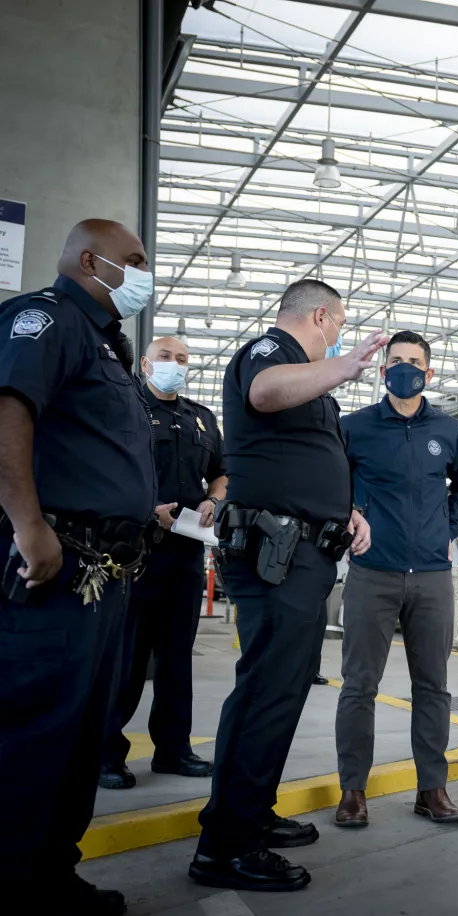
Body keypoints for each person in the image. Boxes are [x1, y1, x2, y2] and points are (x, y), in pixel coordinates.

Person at [190, 280, 385, 892]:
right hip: (277, 557)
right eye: (339, 325)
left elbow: (301, 456)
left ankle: (247, 814)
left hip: (302, 552)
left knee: (279, 690)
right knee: (267, 694)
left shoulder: (309, 373)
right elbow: (265, 393)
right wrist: (342, 365)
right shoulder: (270, 353)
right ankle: (227, 848)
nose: (341, 337)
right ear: (321, 316)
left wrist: (343, 510)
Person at [0, 219, 158, 915]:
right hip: (59, 566)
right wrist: (29, 526)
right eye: (134, 261)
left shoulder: (106, 345)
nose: (144, 273)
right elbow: (8, 410)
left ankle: (50, 878)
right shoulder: (47, 318)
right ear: (91, 260)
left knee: (77, 737)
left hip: (105, 574)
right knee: (34, 736)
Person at [334, 330, 458, 829]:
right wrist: (351, 512)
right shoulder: (353, 427)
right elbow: (333, 482)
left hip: (433, 577)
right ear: (382, 371)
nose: (404, 368)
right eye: (395, 361)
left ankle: (432, 790)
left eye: (414, 362)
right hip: (371, 572)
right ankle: (353, 791)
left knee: (433, 687)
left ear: (430, 372)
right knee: (359, 685)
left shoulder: (451, 431)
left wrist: (448, 526)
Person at [101, 336, 226, 789]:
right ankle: (106, 754)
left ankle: (173, 750)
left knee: (176, 658)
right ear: (146, 365)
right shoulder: (124, 409)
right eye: (165, 358)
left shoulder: (200, 418)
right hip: (133, 552)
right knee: (127, 656)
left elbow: (221, 472)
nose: (175, 365)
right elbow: (106, 470)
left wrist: (215, 499)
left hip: (186, 553)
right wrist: (147, 507)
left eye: (183, 359)